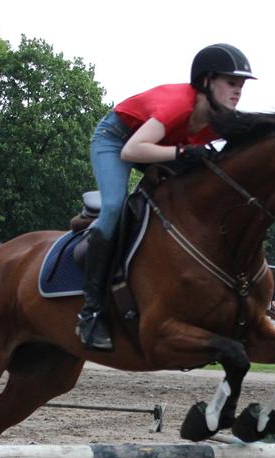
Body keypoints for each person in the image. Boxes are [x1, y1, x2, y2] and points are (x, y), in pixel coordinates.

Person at [76, 43, 255, 351]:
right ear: (207, 82)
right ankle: (90, 312)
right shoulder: (179, 105)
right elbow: (131, 151)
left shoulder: (219, 120)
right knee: (116, 207)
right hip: (117, 139)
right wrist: (182, 152)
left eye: (241, 85)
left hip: (159, 146)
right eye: (231, 82)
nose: (238, 91)